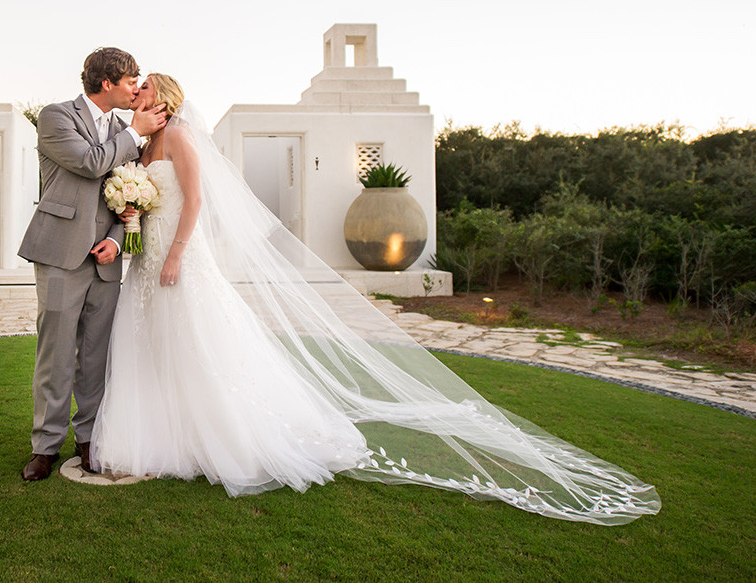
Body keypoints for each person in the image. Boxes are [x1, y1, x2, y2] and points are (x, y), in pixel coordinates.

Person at [91, 74, 661, 524]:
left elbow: (193, 204)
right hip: (144, 261)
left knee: (195, 343)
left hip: (179, 261)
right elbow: (148, 202)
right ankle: (161, 429)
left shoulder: (182, 139)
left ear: (161, 97)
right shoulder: (143, 149)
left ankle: (217, 433)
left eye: (141, 90)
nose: (135, 96)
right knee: (150, 343)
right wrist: (133, 216)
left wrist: (173, 254)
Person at [17, 48, 166, 482]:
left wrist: (117, 243)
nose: (136, 89)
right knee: (55, 355)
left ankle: (89, 441)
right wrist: (135, 132)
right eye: (130, 81)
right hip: (60, 252)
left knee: (95, 357)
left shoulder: (124, 130)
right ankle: (45, 446)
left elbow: (132, 195)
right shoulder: (55, 117)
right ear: (108, 83)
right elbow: (89, 163)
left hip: (106, 260)